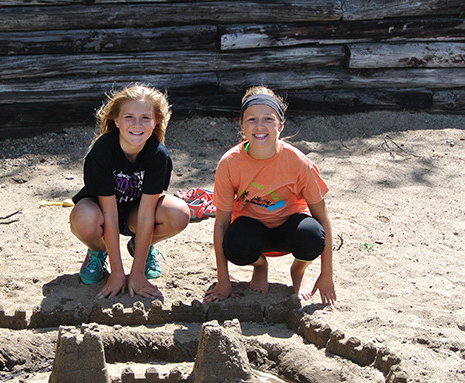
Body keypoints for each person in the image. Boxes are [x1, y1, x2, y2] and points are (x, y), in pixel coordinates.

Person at [203, 86, 336, 306]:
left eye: (268, 119)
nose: (260, 126)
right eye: (252, 119)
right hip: (253, 229)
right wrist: (222, 281)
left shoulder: (298, 162)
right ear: (242, 126)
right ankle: (260, 265)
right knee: (234, 244)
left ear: (280, 125)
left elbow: (323, 218)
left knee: (313, 235)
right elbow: (221, 224)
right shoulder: (229, 163)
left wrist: (326, 274)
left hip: (290, 228)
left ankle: (298, 269)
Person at [69, 83, 190, 299]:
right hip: (102, 213)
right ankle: (98, 251)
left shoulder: (158, 155)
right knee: (83, 216)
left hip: (137, 214)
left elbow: (146, 214)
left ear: (155, 122)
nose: (137, 124)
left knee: (179, 212)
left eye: (145, 117)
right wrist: (117, 273)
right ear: (116, 121)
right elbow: (110, 213)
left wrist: (135, 273)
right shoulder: (102, 152)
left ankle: (142, 247)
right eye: (128, 117)